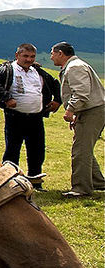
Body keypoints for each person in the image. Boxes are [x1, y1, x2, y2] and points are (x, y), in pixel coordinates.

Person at [0, 44, 61, 189]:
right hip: (15, 117)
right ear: (17, 55)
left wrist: (57, 100)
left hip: (36, 117)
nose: (29, 60)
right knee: (12, 149)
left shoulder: (38, 71)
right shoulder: (6, 69)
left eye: (32, 57)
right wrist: (7, 98)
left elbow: (56, 84)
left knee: (37, 150)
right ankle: (9, 181)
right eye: (25, 56)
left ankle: (35, 181)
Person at [49, 42, 105, 197]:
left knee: (81, 150)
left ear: (60, 53)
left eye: (52, 53)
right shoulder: (75, 65)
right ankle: (97, 182)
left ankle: (81, 188)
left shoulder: (74, 67)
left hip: (92, 111)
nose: (51, 56)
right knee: (83, 147)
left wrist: (70, 110)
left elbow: (81, 92)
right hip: (90, 110)